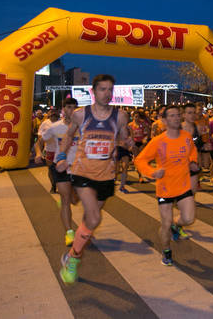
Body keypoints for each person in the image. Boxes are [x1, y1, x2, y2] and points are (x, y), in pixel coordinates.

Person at [55, 74, 132, 284]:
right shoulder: (81, 115)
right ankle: (74, 259)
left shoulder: (120, 116)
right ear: (93, 91)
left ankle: (70, 255)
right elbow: (69, 136)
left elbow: (124, 136)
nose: (107, 94)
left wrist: (129, 142)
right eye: (102, 89)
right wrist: (61, 156)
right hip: (82, 172)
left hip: (106, 175)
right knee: (95, 218)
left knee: (90, 220)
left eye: (110, 90)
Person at [135, 105, 199, 266]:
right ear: (163, 120)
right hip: (165, 189)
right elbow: (140, 160)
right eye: (171, 116)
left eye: (178, 115)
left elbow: (192, 151)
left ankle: (176, 226)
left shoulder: (186, 137)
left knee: (189, 218)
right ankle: (166, 251)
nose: (176, 118)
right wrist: (151, 172)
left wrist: (192, 161)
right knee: (165, 224)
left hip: (183, 185)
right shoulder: (158, 141)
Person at [39, 98, 80, 246]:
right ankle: (69, 233)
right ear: (63, 109)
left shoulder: (83, 128)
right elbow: (40, 140)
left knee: (74, 200)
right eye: (69, 107)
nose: (72, 110)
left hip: (78, 168)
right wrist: (38, 153)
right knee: (65, 200)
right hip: (61, 166)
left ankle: (71, 195)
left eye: (75, 107)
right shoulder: (55, 127)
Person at [36, 107, 63, 193]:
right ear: (49, 114)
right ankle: (53, 186)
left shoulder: (62, 122)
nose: (53, 113)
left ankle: (61, 185)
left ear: (58, 113)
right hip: (49, 150)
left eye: (55, 112)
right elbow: (40, 137)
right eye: (52, 112)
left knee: (60, 169)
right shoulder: (45, 123)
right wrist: (40, 151)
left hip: (61, 151)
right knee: (51, 169)